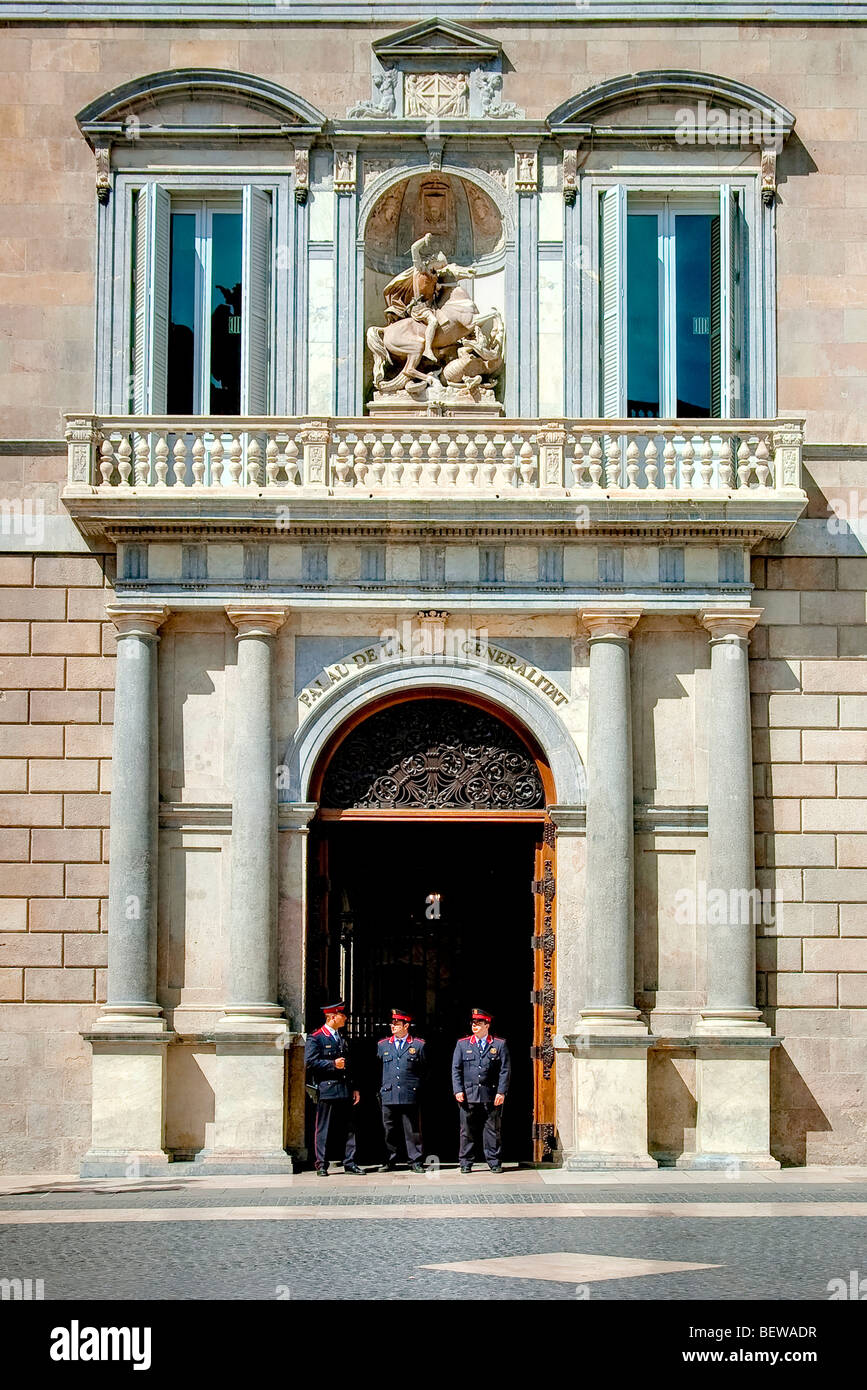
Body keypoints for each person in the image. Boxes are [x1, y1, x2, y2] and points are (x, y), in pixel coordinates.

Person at [304, 1001, 363, 1177]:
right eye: (342, 1015)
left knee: (349, 1128)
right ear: (332, 1017)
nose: (345, 1018)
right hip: (327, 1089)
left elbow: (350, 1065)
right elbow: (310, 1062)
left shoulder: (342, 1038)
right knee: (324, 1128)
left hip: (344, 1088)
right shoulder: (316, 1037)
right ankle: (321, 1164)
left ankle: (350, 1162)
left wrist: (355, 1088)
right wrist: (332, 1065)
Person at [451, 1009, 511, 1174]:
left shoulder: (499, 1044)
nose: (474, 1026)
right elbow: (456, 1069)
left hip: (490, 1094)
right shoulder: (463, 1044)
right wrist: (458, 1090)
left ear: (487, 1025)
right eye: (473, 1023)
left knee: (492, 1129)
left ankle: (494, 1161)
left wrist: (501, 1092)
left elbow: (504, 1070)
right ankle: (465, 1162)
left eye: (478, 1023)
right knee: (466, 1130)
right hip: (468, 1094)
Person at [376, 1009, 427, 1173]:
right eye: (392, 1023)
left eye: (397, 1024)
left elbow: (425, 1070)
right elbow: (377, 1069)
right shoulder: (383, 1045)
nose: (393, 1026)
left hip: (409, 1093)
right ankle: (389, 1160)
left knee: (412, 1130)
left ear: (406, 1025)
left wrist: (418, 1087)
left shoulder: (418, 1045)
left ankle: (415, 1160)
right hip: (389, 1093)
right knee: (389, 1129)